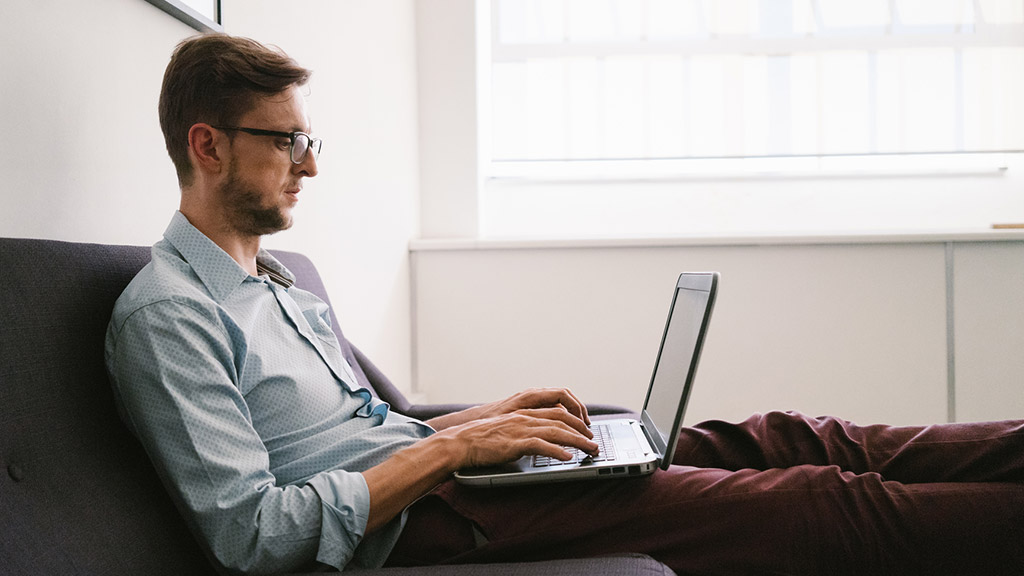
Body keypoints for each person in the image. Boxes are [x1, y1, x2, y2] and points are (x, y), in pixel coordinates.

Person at [106, 33, 1024, 576]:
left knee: (786, 435)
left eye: (312, 139)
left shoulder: (279, 280)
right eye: (289, 141)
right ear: (209, 145)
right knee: (808, 503)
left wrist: (488, 419)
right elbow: (254, 535)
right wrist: (458, 449)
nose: (311, 164)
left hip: (447, 481)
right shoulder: (170, 317)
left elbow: (373, 425)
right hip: (428, 525)